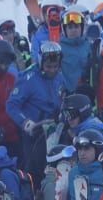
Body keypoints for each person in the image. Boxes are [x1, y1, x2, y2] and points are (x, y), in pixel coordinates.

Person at [8, 41, 68, 176]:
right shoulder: (28, 78)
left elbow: (62, 99)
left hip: (54, 131)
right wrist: (26, 123)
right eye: (48, 66)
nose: (52, 70)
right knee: (35, 171)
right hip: (34, 133)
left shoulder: (59, 77)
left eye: (55, 66)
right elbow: (11, 105)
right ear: (41, 62)